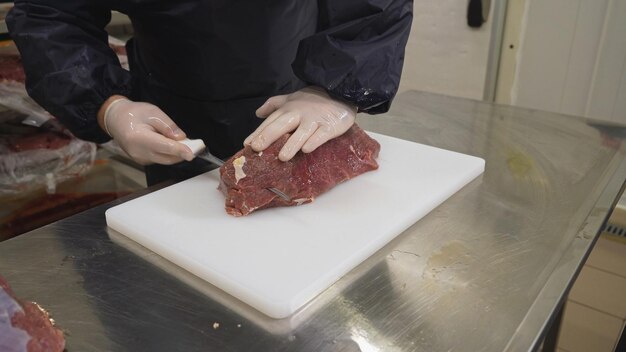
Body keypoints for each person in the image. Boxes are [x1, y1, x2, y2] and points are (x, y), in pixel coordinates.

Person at [7, 1, 413, 186]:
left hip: (297, 106)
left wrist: (333, 89)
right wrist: (107, 104)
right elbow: (51, 14)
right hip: (169, 118)